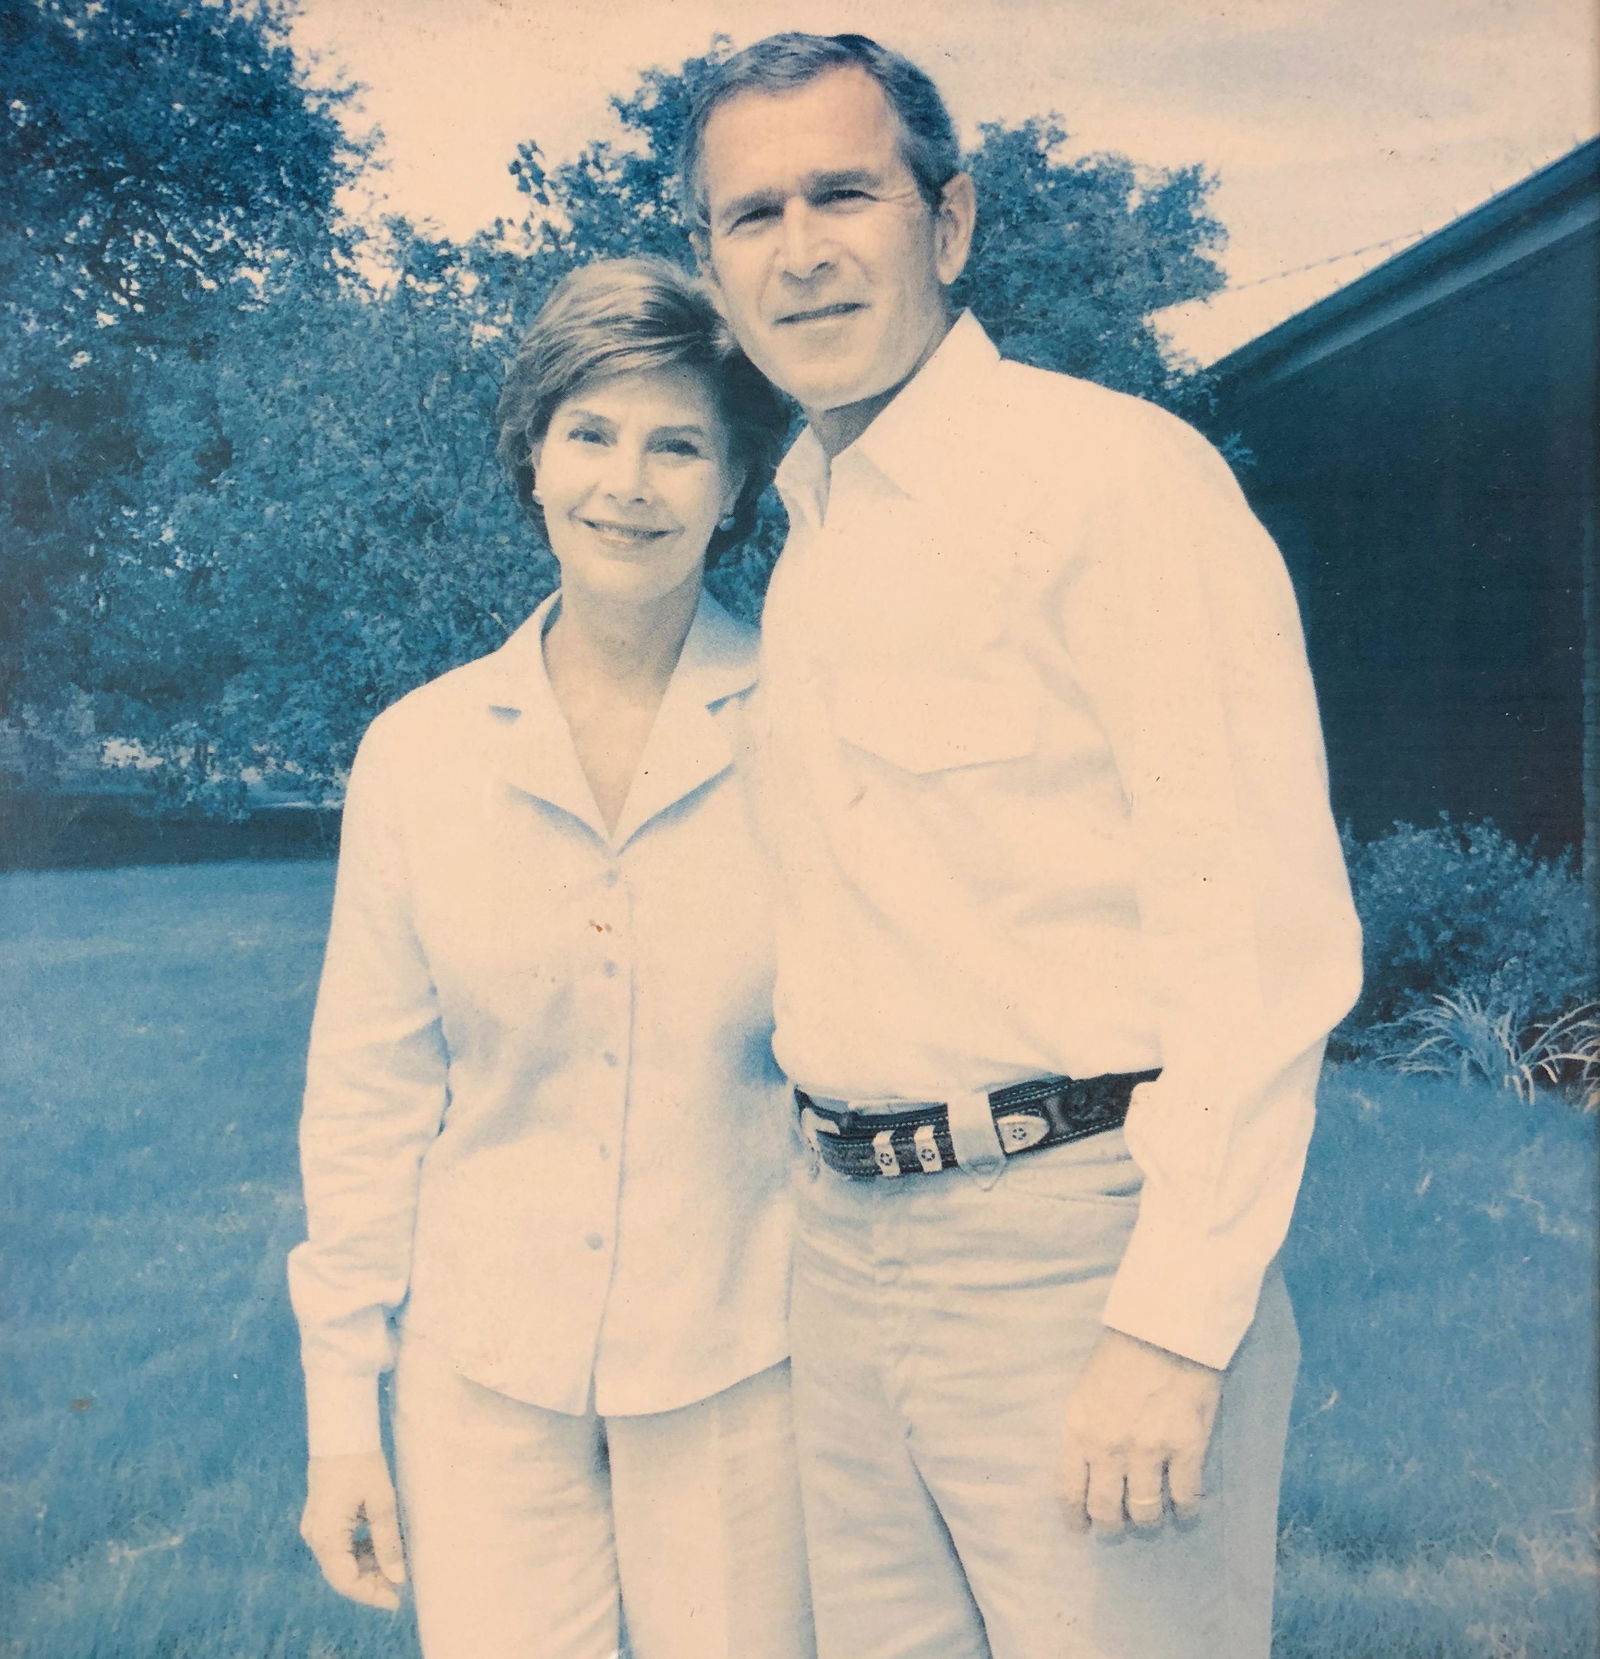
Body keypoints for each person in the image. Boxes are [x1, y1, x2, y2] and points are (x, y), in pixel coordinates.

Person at [681, 32, 1364, 1659]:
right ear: (714, 271)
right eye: (751, 213)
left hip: (1073, 1252)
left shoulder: (1116, 482)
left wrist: (1174, 1328)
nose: (803, 246)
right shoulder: (809, 538)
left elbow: (1262, 940)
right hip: (841, 1263)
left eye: (844, 191)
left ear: (952, 223)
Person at [286, 258, 813, 1659]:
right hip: (483, 1381)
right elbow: (366, 1101)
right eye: (591, 434)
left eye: (678, 445)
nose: (628, 485)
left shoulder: (810, 726)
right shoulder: (422, 752)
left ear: (736, 483)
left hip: (743, 1371)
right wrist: (345, 1422)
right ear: (533, 455)